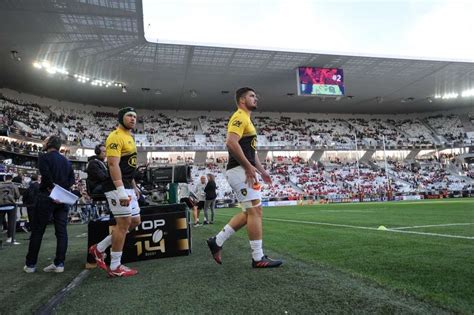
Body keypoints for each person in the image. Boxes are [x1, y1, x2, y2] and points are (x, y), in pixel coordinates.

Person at [207, 87, 282, 268]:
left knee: (249, 212)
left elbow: (250, 152)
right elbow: (231, 142)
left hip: (243, 170)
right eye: (252, 96)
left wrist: (261, 170)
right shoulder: (239, 116)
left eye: (256, 96)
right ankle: (257, 258)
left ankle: (216, 241)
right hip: (239, 171)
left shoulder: (246, 118)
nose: (256, 99)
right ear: (242, 100)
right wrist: (248, 167)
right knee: (255, 212)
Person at [89, 107, 141, 277]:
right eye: (129, 116)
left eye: (134, 116)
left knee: (135, 221)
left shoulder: (130, 137)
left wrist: (133, 185)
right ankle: (115, 266)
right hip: (115, 187)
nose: (133, 119)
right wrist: (120, 191)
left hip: (127, 184)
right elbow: (113, 165)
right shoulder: (115, 136)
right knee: (123, 224)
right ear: (121, 118)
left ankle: (99, 248)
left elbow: (129, 165)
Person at [24, 135, 75, 273]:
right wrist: (60, 192)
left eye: (45, 141)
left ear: (50, 144)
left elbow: (46, 176)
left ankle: (30, 265)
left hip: (47, 196)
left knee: (38, 231)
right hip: (62, 198)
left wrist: (53, 191)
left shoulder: (44, 157)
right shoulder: (66, 161)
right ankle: (59, 264)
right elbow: (72, 180)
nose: (43, 143)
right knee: (61, 232)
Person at [0, 174, 21, 245]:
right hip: (11, 205)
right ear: (11, 179)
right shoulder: (14, 186)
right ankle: (10, 238)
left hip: (1, 205)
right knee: (11, 222)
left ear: (5, 178)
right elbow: (17, 195)